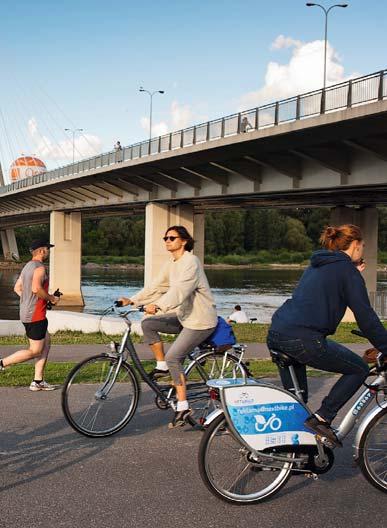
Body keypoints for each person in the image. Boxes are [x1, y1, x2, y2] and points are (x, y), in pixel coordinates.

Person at [267, 224, 387, 447]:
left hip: (278, 332)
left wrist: (351, 273)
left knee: (297, 404)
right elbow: (366, 318)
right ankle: (324, 417)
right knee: (359, 368)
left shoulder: (319, 264)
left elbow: (325, 288)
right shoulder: (347, 272)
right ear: (355, 245)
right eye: (362, 246)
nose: (362, 250)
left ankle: (290, 455)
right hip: (303, 339)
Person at [118, 225, 217, 428]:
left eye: (172, 238)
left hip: (200, 321)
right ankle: (161, 365)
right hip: (184, 317)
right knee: (148, 324)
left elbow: (180, 290)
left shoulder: (191, 262)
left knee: (175, 357)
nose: (167, 241)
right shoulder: (172, 263)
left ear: (184, 241)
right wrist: (132, 300)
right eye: (165, 238)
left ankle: (183, 406)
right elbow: (156, 287)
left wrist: (159, 305)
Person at [0, 239, 60, 391]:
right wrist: (52, 298)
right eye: (47, 249)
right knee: (35, 350)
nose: (49, 251)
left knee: (46, 342)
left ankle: (38, 381)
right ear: (41, 251)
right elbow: (36, 289)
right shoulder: (40, 268)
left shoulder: (27, 266)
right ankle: (2, 364)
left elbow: (17, 288)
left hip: (28, 311)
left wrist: (28, 300)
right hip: (35, 315)